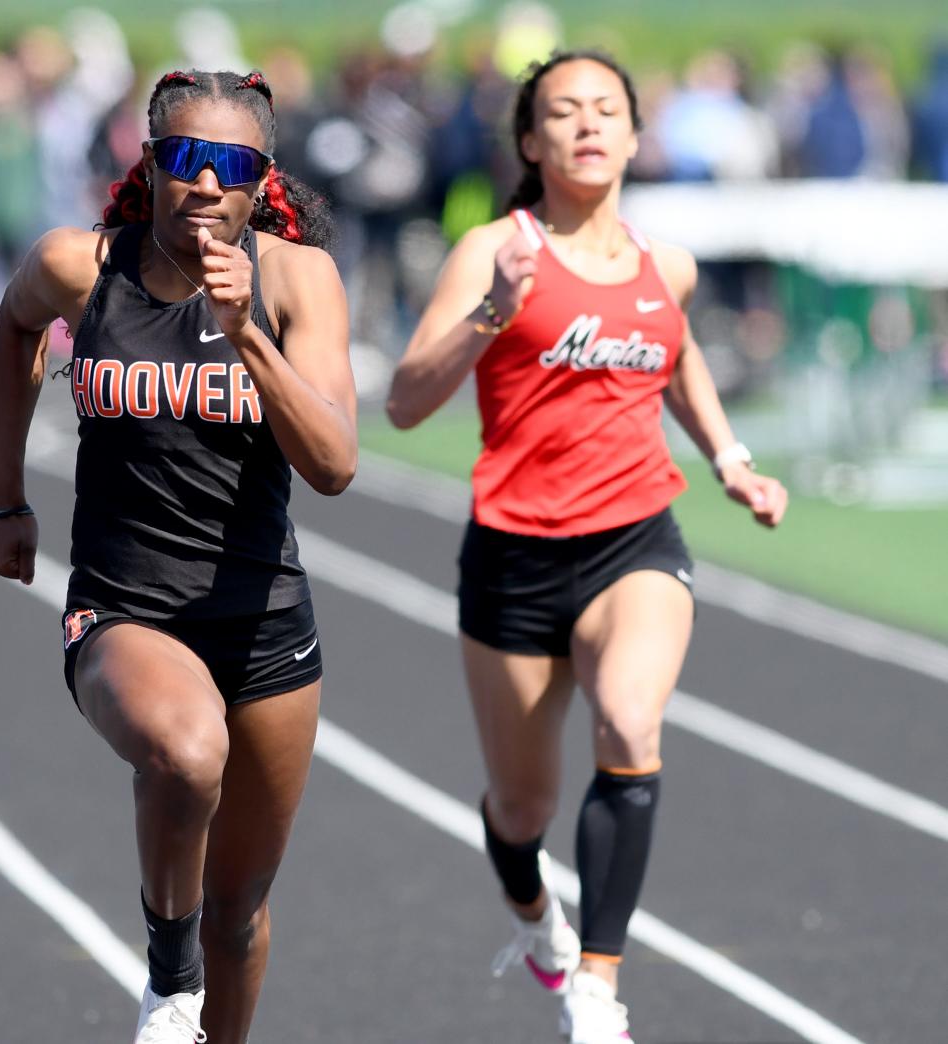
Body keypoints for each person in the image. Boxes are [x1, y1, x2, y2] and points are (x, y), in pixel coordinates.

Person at [386, 50, 787, 1044]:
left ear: (637, 136)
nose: (588, 125)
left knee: (628, 726)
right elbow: (403, 402)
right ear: (531, 141)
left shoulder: (667, 264)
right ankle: (541, 928)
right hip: (514, 559)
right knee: (521, 810)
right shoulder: (494, 250)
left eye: (607, 109)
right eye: (563, 112)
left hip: (633, 543)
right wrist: (494, 309)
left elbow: (677, 346)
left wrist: (729, 456)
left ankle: (598, 989)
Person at [0, 69, 356, 1044]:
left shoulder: (297, 279)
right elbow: (16, 324)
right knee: (185, 758)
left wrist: (248, 340)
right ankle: (166, 977)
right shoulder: (80, 266)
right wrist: (6, 499)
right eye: (185, 158)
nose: (204, 184)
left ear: (261, 184)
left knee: (241, 913)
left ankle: (206, 1008)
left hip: (267, 629)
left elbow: (335, 465)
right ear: (150, 163)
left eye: (231, 166)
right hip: (126, 610)